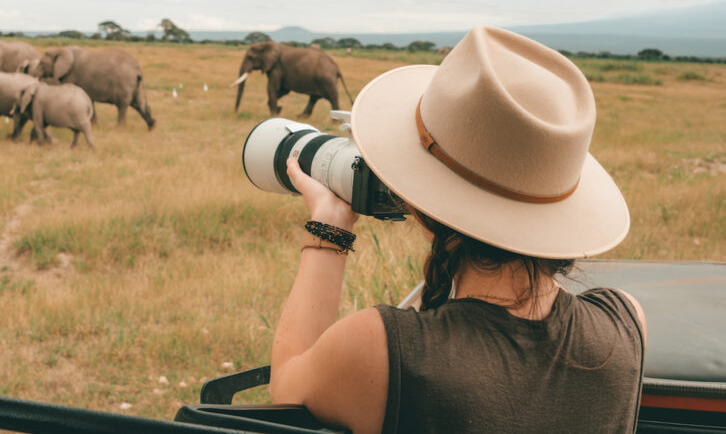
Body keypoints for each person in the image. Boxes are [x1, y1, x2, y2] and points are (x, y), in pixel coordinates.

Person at [268, 26, 647, 434]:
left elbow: (287, 389)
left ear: (427, 212)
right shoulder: (624, 324)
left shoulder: (381, 348)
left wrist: (329, 233)